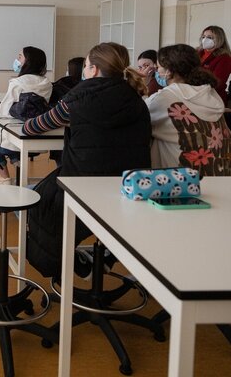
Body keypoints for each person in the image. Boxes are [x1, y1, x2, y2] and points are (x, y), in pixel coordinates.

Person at [21, 42, 151, 279]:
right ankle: (104, 256)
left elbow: (33, 127)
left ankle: (67, 264)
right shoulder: (137, 99)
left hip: (82, 183)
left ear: (94, 69)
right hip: (130, 185)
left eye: (87, 65)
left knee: (37, 198)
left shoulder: (77, 100)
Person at [147, 44, 231, 175]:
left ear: (169, 71)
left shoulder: (164, 98)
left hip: (180, 180)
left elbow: (138, 120)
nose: (156, 72)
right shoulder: (211, 94)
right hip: (220, 177)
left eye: (158, 67)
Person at [0, 46, 52, 184]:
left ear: (28, 62)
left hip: (15, 135)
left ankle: (4, 177)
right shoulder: (47, 84)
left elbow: (4, 111)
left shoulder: (17, 83)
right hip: (38, 131)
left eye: (20, 57)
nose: (17, 59)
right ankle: (16, 161)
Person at [196, 25, 231, 105]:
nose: (205, 39)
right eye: (203, 37)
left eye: (210, 37)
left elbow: (218, 83)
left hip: (213, 98)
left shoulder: (224, 58)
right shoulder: (197, 53)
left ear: (219, 39)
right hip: (194, 94)